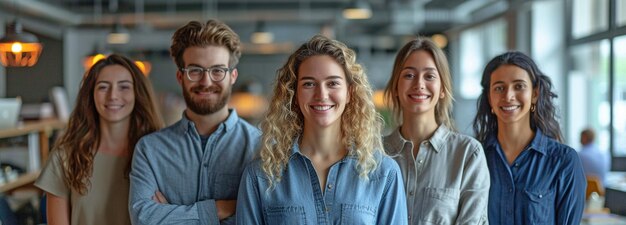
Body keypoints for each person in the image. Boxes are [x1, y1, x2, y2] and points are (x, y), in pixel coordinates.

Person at [236, 35, 407, 225]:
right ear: (294, 94)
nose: (321, 95)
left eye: (333, 83)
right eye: (309, 84)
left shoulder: (383, 173)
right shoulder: (261, 175)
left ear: (349, 93)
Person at [128, 19, 261, 225]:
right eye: (195, 70)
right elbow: (143, 218)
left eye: (217, 70)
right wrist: (224, 208)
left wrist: (169, 215)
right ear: (180, 77)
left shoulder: (260, 147)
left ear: (232, 76)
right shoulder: (150, 150)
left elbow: (265, 217)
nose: (206, 82)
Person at [35, 54, 163, 225]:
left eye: (124, 87)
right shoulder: (65, 156)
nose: (113, 96)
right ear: (91, 95)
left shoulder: (159, 156)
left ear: (137, 94)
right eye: (103, 87)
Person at [382, 37, 490, 225]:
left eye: (430, 76)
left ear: (442, 89)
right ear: (396, 88)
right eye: (409, 75)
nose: (419, 84)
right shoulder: (375, 152)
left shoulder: (467, 154)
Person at [473, 51, 586, 225]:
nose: (508, 96)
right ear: (489, 97)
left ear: (535, 94)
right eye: (499, 88)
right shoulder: (474, 158)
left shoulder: (564, 161)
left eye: (519, 86)